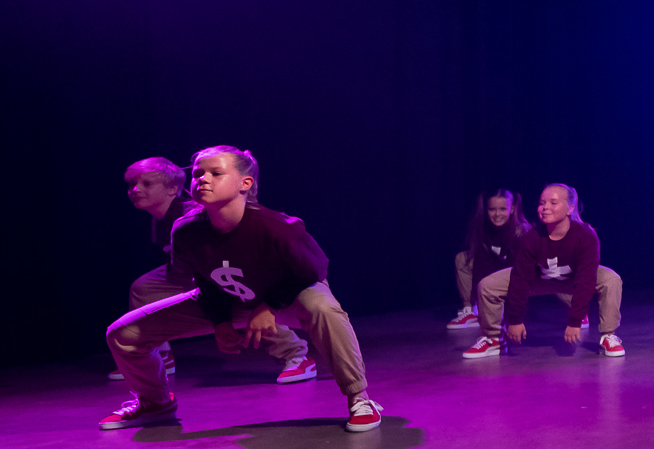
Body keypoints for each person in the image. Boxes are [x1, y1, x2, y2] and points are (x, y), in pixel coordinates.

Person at [102, 146, 383, 432]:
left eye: (216, 173)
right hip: (234, 299)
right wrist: (220, 321)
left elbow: (313, 271)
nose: (203, 179)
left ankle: (359, 398)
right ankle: (154, 403)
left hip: (290, 294)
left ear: (245, 183)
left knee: (324, 309)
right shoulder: (185, 230)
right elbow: (204, 282)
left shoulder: (277, 226)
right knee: (123, 334)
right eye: (198, 174)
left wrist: (269, 305)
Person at [108, 157, 313, 384]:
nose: (135, 190)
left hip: (226, 270)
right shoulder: (159, 219)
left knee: (246, 299)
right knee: (144, 287)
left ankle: (296, 355)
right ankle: (159, 356)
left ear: (172, 188)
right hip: (194, 272)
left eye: (146, 184)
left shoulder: (191, 213)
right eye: (132, 184)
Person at [464, 183, 624, 360]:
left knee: (611, 279)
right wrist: (516, 320)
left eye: (553, 203)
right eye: (542, 203)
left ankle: (608, 336)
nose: (545, 207)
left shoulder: (586, 236)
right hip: (539, 280)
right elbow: (520, 279)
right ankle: (494, 339)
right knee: (488, 285)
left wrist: (575, 322)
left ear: (570, 208)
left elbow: (586, 280)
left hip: (573, 280)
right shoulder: (531, 237)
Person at [449, 189, 530, 329]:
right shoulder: (484, 228)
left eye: (502, 209)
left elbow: (522, 270)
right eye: (492, 209)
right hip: (494, 271)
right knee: (462, 259)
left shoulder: (521, 231)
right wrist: (479, 304)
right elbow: (481, 263)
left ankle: (577, 311)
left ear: (512, 209)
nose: (497, 214)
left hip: (516, 275)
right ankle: (472, 312)